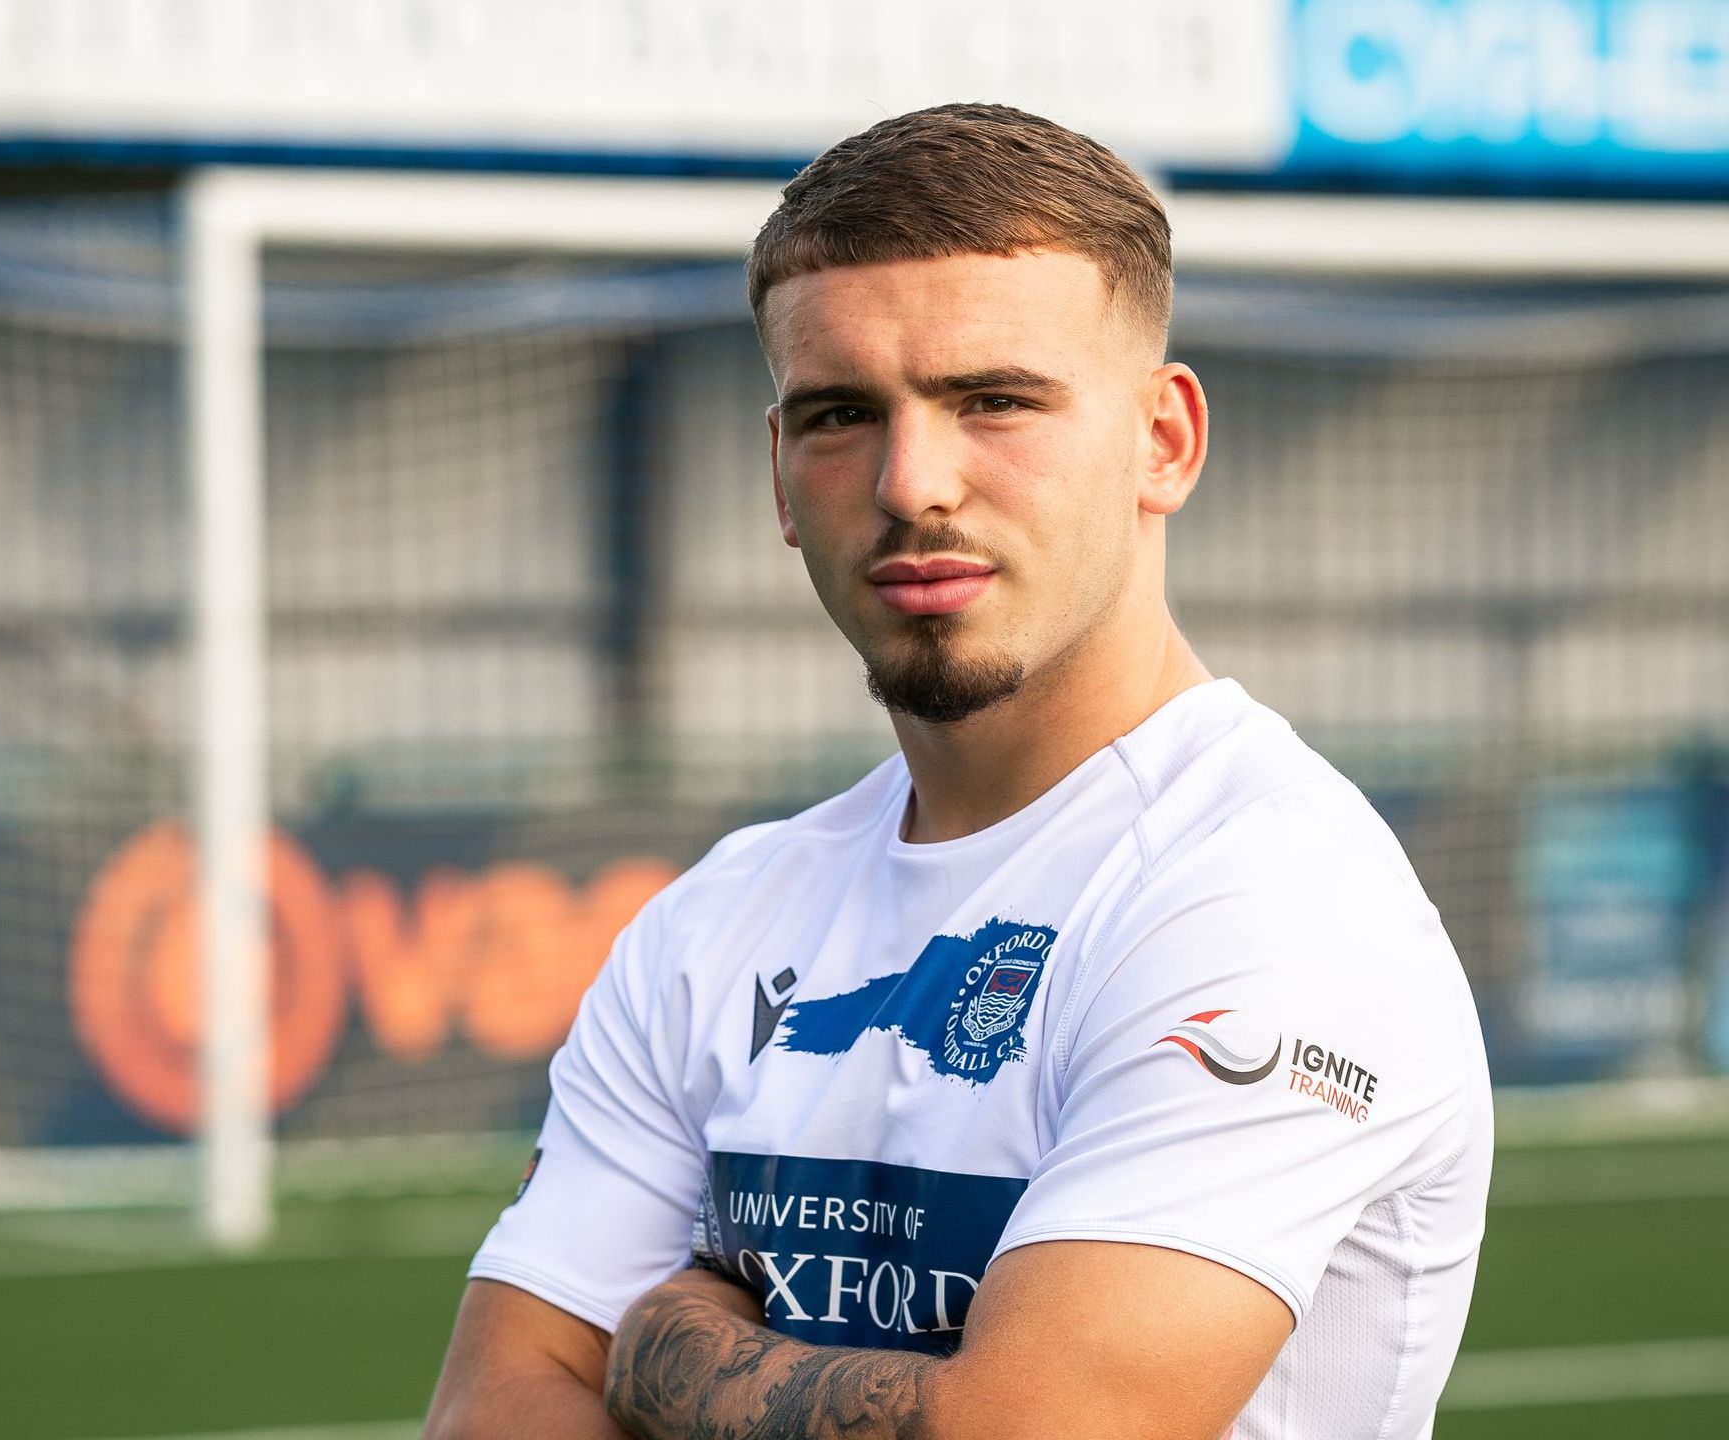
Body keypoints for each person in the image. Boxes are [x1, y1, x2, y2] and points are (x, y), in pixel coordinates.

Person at [422, 102, 1492, 1440]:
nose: (914, 481)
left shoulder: (1272, 900)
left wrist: (670, 1340)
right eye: (839, 414)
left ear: (1164, 441)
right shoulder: (714, 921)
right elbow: (494, 1409)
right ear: (777, 473)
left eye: (994, 401)